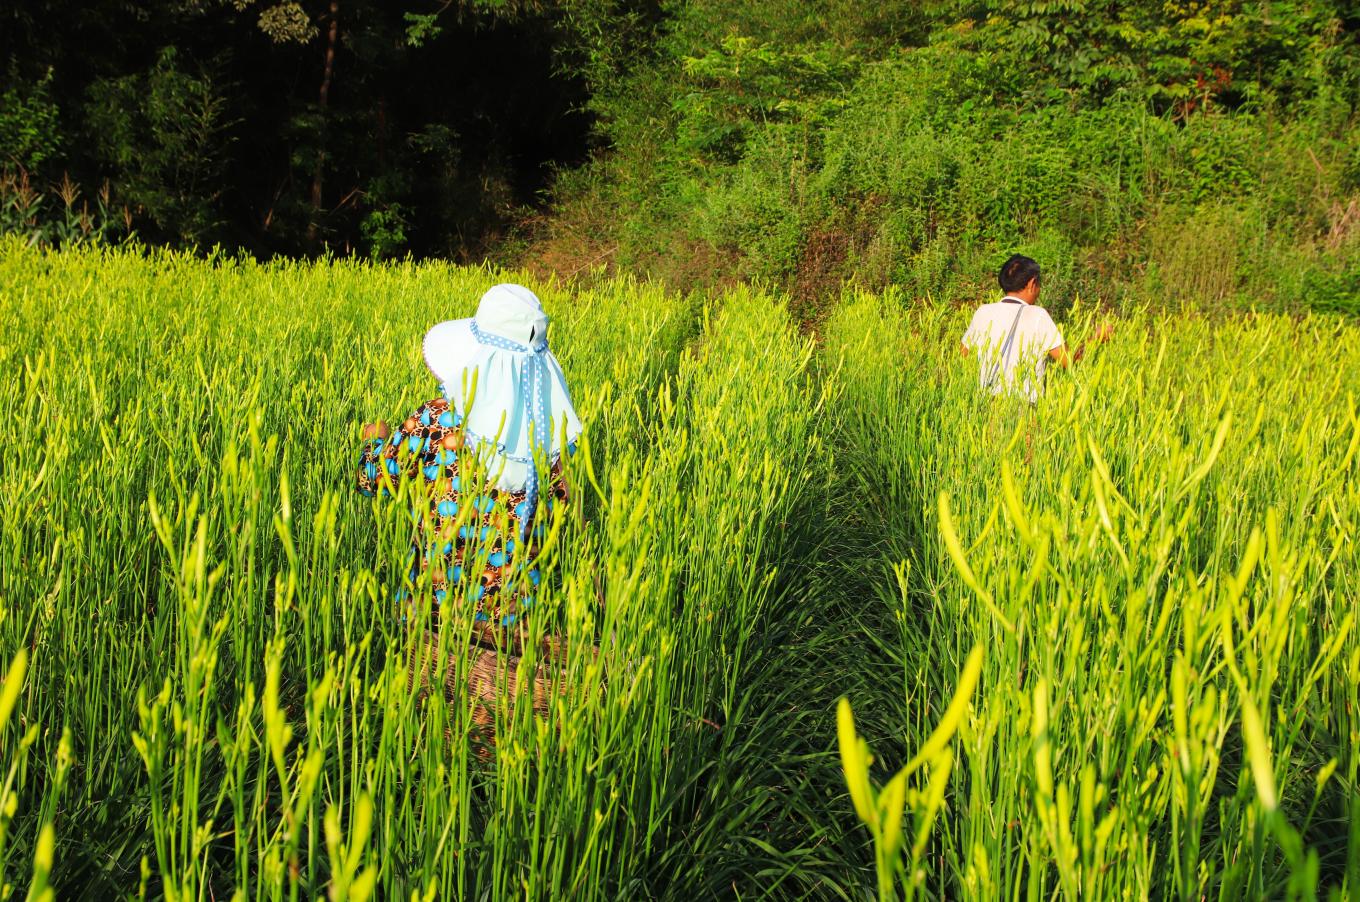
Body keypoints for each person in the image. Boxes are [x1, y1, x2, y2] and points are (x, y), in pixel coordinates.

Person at [357, 282, 580, 650]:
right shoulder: (553, 442)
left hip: (430, 618)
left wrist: (374, 440)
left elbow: (373, 480)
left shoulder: (438, 420)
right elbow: (556, 527)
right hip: (513, 631)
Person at [959, 254, 1111, 401]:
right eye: (1039, 284)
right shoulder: (1038, 315)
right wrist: (1095, 338)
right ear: (1032, 284)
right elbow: (1069, 362)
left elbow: (963, 356)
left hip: (984, 406)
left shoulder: (983, 311)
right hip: (1022, 409)